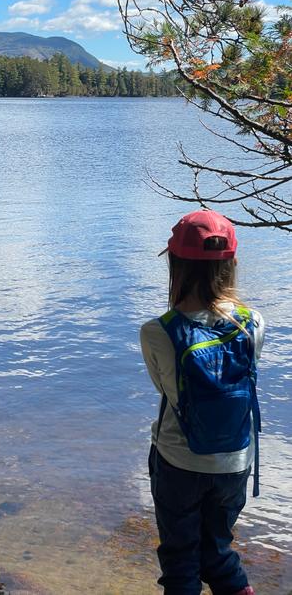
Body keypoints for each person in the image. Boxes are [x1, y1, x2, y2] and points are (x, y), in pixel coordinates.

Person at [140, 210, 264, 595]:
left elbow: (165, 389)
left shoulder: (157, 332)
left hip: (179, 460)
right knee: (219, 553)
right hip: (235, 461)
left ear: (175, 264)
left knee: (181, 562)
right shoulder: (253, 323)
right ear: (231, 265)